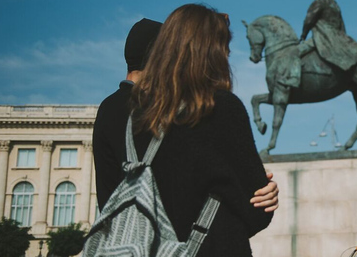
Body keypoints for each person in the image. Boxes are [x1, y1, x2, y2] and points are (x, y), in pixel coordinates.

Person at [92, 5, 275, 257]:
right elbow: (255, 212)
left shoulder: (118, 110)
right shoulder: (218, 108)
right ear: (211, 52)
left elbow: (109, 201)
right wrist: (265, 192)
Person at [93, 17, 280, 214]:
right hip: (172, 240)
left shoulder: (107, 109)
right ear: (162, 57)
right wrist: (254, 187)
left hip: (118, 238)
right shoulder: (164, 110)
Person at [299, 0, 357, 71]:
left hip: (322, 38)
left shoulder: (320, 1)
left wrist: (303, 35)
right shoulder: (335, 5)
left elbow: (308, 20)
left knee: (295, 52)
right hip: (338, 39)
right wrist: (344, 39)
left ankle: (292, 79)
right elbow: (342, 25)